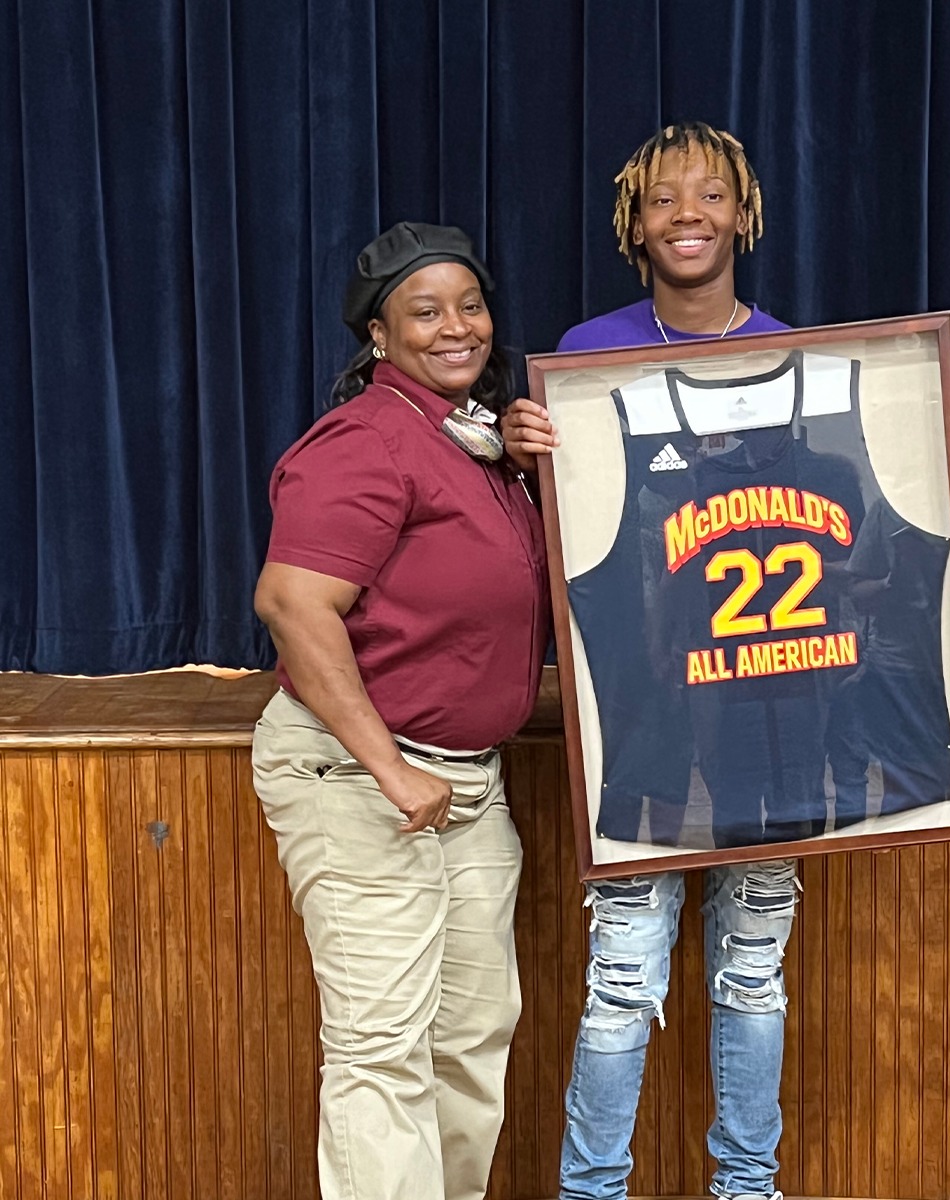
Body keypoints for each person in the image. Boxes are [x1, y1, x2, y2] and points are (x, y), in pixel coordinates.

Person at [502, 122, 796, 1200]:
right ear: (634, 224)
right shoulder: (585, 356)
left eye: (710, 193)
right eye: (663, 198)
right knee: (623, 977)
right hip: (640, 718)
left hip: (770, 720)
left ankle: (747, 1188)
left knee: (753, 979)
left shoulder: (800, 358)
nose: (687, 214)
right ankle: (592, 1193)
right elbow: (572, 535)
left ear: (743, 214)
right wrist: (524, 458)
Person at [252, 221, 550, 1200]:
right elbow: (292, 605)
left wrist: (525, 464)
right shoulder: (367, 440)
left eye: (470, 305)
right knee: (382, 1048)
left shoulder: (471, 437)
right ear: (379, 335)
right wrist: (390, 770)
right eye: (425, 311)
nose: (456, 326)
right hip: (364, 780)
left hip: (466, 785)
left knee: (471, 1036)